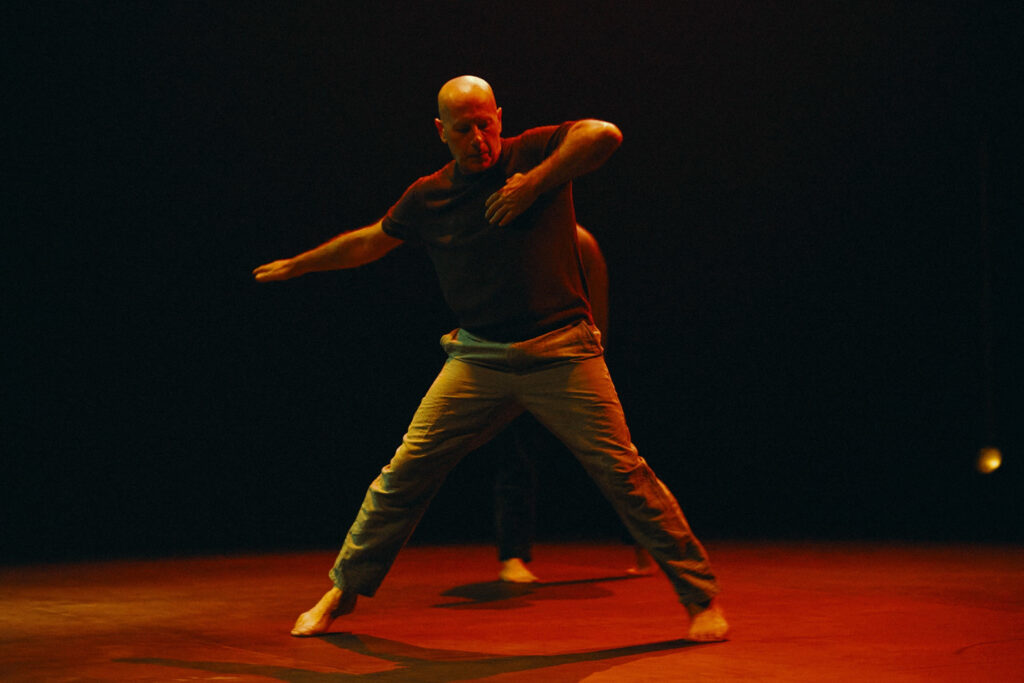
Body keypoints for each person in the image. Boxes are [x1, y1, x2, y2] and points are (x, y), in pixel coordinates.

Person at [253, 75, 728, 642]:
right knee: (404, 473)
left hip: (562, 353)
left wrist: (534, 185)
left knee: (625, 473)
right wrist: (299, 265)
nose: (479, 137)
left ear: (500, 116)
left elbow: (605, 134)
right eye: (464, 128)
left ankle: (700, 598)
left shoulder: (534, 152)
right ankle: (344, 588)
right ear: (441, 132)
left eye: (487, 123)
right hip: (478, 358)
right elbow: (369, 242)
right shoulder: (428, 195)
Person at [494, 225, 653, 583]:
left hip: (573, 360)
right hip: (523, 359)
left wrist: (592, 363)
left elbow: (597, 309)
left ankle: (644, 544)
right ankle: (513, 555)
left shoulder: (580, 242)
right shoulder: (515, 240)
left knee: (613, 458)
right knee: (515, 458)